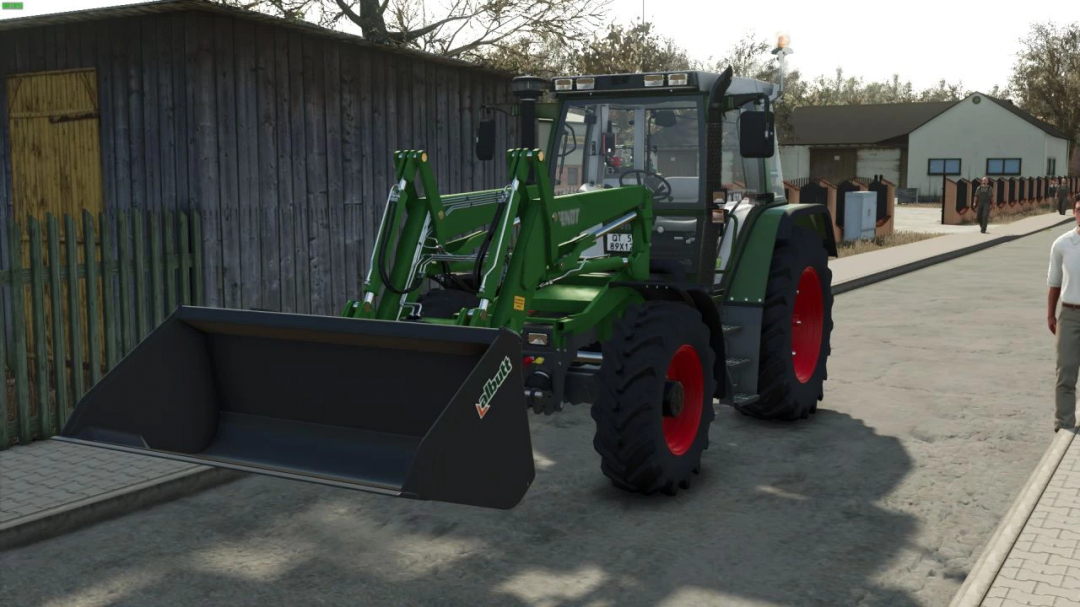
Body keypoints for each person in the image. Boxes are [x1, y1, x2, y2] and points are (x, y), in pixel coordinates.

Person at [1047, 194, 1080, 432]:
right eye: (1079, 209)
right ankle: (1065, 425)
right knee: (1065, 370)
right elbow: (1055, 282)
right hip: (1070, 314)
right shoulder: (1062, 244)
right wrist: (1050, 314)